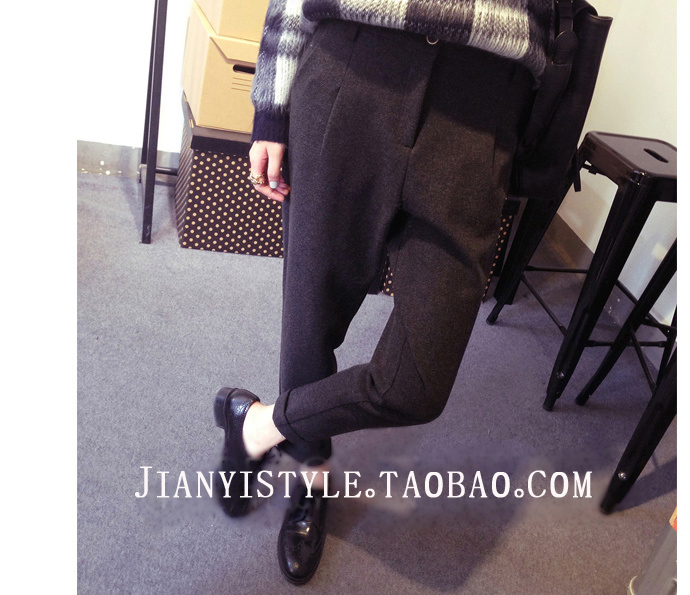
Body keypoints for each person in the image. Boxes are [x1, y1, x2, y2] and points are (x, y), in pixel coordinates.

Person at [214, 0, 556, 586]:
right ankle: (312, 480)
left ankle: (259, 424)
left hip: (483, 103)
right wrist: (271, 110)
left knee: (416, 385)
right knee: (310, 318)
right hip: (352, 66)